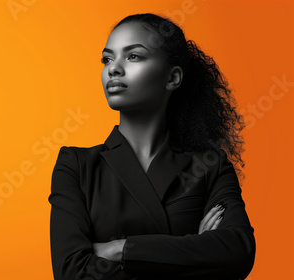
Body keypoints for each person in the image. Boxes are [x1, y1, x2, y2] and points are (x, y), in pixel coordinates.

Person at [48, 13, 255, 280]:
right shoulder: (76, 165)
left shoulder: (210, 164)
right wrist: (194, 252)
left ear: (172, 78)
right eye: (107, 59)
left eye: (133, 56)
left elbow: (238, 252)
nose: (113, 68)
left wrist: (119, 249)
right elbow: (71, 274)